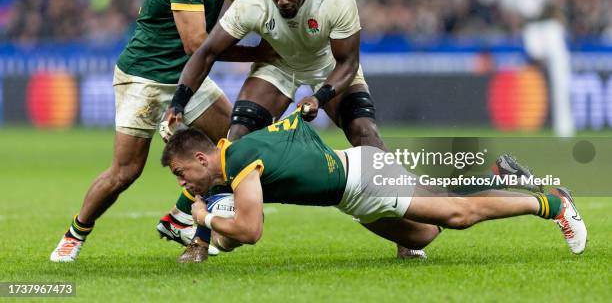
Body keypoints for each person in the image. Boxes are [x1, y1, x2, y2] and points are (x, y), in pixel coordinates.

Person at [161, 0, 427, 260]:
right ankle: (200, 241)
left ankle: (409, 226)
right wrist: (178, 102)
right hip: (277, 66)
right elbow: (206, 53)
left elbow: (348, 62)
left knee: (366, 136)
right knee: (235, 142)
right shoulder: (253, 3)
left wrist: (321, 95)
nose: (283, 1)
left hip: (328, 66)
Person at [50, 0, 270, 263]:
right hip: (146, 77)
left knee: (229, 147)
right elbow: (196, 44)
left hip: (186, 76)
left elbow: (252, 5)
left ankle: (179, 219)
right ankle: (75, 233)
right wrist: (256, 53)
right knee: (126, 171)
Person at [161, 110, 587, 260]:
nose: (184, 184)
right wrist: (209, 232)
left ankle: (552, 204)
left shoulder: (237, 160)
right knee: (427, 232)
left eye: (183, 174)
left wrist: (202, 217)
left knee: (459, 215)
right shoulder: (235, 156)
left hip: (363, 178)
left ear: (202, 158)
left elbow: (250, 231)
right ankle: (499, 179)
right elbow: (234, 230)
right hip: (352, 190)